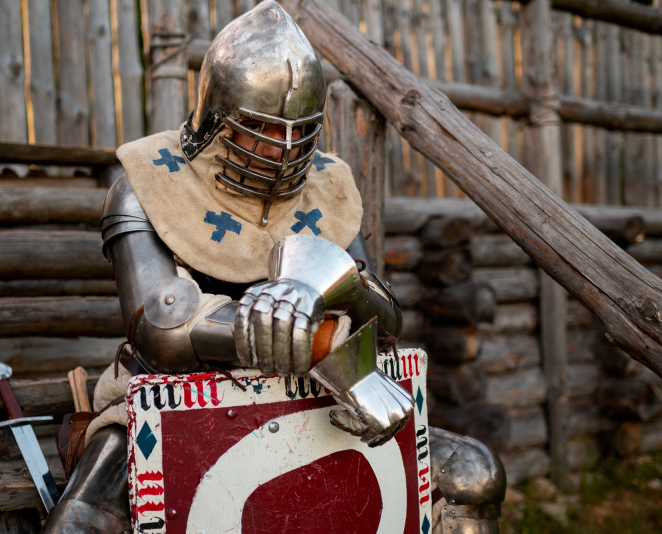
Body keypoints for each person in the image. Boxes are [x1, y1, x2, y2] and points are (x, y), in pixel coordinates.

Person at [42, 2, 505, 533]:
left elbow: (381, 323)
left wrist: (342, 304)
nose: (283, 149)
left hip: (317, 392)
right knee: (79, 523)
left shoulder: (327, 190)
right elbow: (160, 330)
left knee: (473, 474)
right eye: (263, 129)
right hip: (171, 402)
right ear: (218, 121)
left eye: (298, 132)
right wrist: (282, 326)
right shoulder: (150, 183)